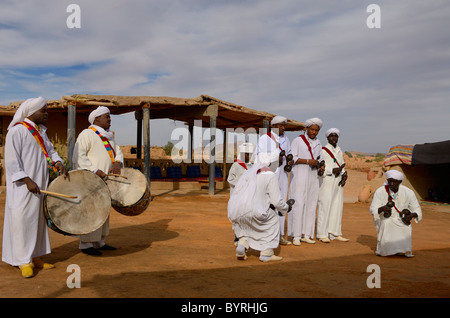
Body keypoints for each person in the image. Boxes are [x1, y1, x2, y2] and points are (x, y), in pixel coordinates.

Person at [2, 97, 67, 278]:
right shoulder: (17, 131)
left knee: (37, 222)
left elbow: (51, 151)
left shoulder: (41, 132)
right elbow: (12, 161)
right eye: (43, 111)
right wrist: (27, 180)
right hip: (24, 188)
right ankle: (23, 261)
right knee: (22, 222)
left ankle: (35, 256)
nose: (46, 114)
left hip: (40, 186)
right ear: (31, 112)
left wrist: (58, 162)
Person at [72, 106, 124, 256]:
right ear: (96, 119)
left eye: (109, 117)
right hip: (91, 180)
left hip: (107, 180)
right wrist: (95, 171)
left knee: (103, 210)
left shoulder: (109, 136)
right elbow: (79, 156)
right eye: (106, 116)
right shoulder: (87, 134)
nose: (110, 119)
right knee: (90, 210)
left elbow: (118, 151)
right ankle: (86, 243)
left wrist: (117, 163)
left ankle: (99, 241)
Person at [228, 151, 291, 262]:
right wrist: (286, 208)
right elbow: (276, 201)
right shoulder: (270, 176)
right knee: (274, 220)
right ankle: (266, 253)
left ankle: (242, 246)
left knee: (250, 225)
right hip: (255, 212)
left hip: (238, 211)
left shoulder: (249, 173)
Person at [288, 118, 325, 246]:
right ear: (307, 128)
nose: (314, 132)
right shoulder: (298, 141)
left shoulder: (319, 143)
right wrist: (309, 161)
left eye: (316, 130)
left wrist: (321, 166)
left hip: (313, 177)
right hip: (300, 175)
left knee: (310, 204)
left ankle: (307, 234)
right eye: (312, 129)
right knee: (298, 204)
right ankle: (296, 235)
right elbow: (292, 158)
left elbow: (320, 159)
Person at [369, 170, 422, 257]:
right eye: (390, 181)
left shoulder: (408, 192)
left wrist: (410, 216)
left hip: (402, 219)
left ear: (400, 182)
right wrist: (383, 208)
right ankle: (385, 251)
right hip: (385, 218)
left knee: (406, 226)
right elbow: (373, 209)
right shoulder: (380, 191)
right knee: (387, 222)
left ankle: (403, 251)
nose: (392, 184)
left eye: (394, 181)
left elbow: (417, 210)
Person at [317, 128, 349, 243]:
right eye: (331, 136)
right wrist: (331, 170)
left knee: (337, 207)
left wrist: (344, 174)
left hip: (338, 181)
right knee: (325, 207)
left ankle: (334, 233)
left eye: (336, 136)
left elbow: (341, 165)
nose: (334, 138)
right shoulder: (323, 151)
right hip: (327, 181)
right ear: (327, 138)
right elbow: (320, 169)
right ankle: (322, 234)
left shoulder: (339, 150)